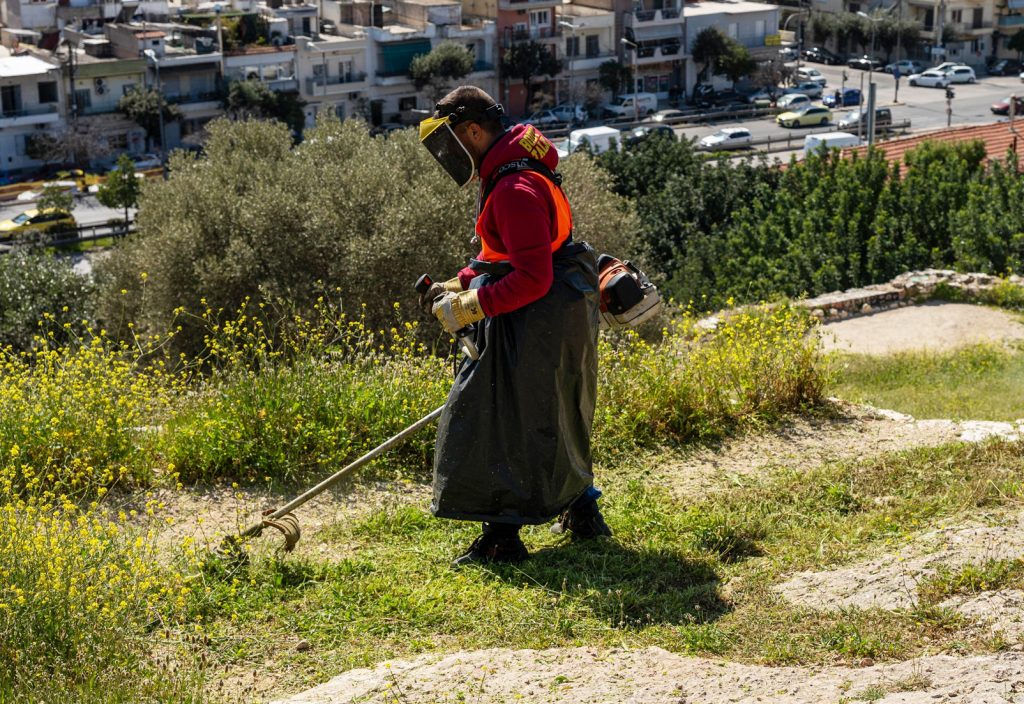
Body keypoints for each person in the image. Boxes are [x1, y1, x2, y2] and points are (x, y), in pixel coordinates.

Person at [417, 85, 611, 567]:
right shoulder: (515, 169)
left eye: (452, 141)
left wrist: (470, 307)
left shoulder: (514, 188)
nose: (448, 154)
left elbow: (531, 276)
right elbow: (506, 253)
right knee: (558, 412)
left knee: (494, 418)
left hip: (536, 315)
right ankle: (584, 513)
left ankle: (502, 540)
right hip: (559, 313)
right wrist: (460, 281)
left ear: (474, 131)